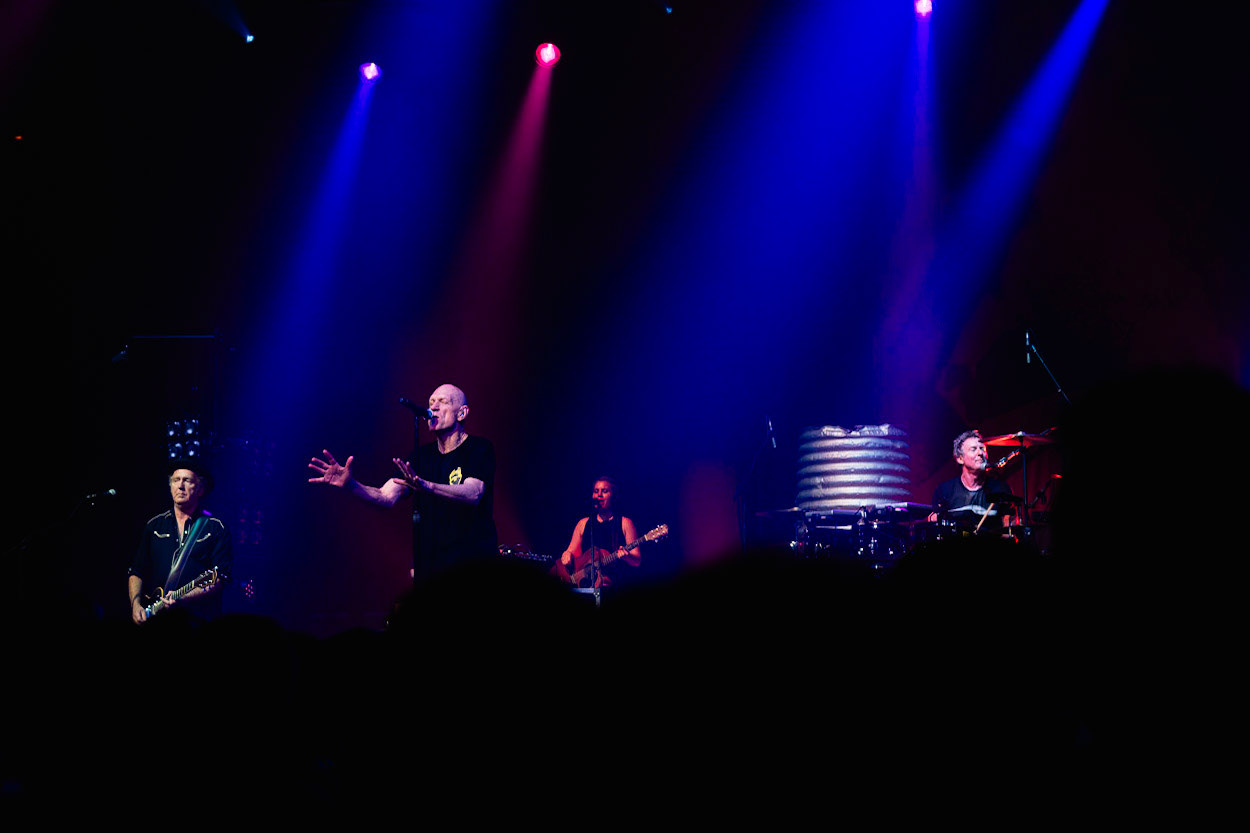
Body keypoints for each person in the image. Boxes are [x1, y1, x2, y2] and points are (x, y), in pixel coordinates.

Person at [308, 383, 497, 584]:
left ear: (462, 413)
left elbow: (474, 493)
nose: (433, 408)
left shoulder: (479, 448)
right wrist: (352, 485)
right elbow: (386, 496)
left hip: (473, 565)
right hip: (432, 569)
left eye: (442, 402)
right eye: (431, 402)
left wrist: (428, 486)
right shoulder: (420, 457)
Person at [128, 460, 232, 624]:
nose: (180, 486)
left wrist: (184, 598)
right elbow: (137, 571)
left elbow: (220, 578)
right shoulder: (154, 525)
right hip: (156, 619)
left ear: (200, 489)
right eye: (176, 480)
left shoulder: (216, 527)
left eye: (187, 480)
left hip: (198, 621)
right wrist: (136, 605)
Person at [554, 477, 641, 589]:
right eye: (596, 491)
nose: (599, 495)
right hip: (585, 584)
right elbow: (571, 551)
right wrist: (567, 554)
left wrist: (626, 556)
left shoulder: (625, 523)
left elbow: (637, 560)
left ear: (613, 496)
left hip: (614, 586)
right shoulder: (583, 523)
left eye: (604, 491)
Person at [928, 430, 1016, 526]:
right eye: (973, 449)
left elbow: (1009, 530)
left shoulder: (1000, 489)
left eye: (982, 448)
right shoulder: (945, 490)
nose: (980, 453)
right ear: (960, 458)